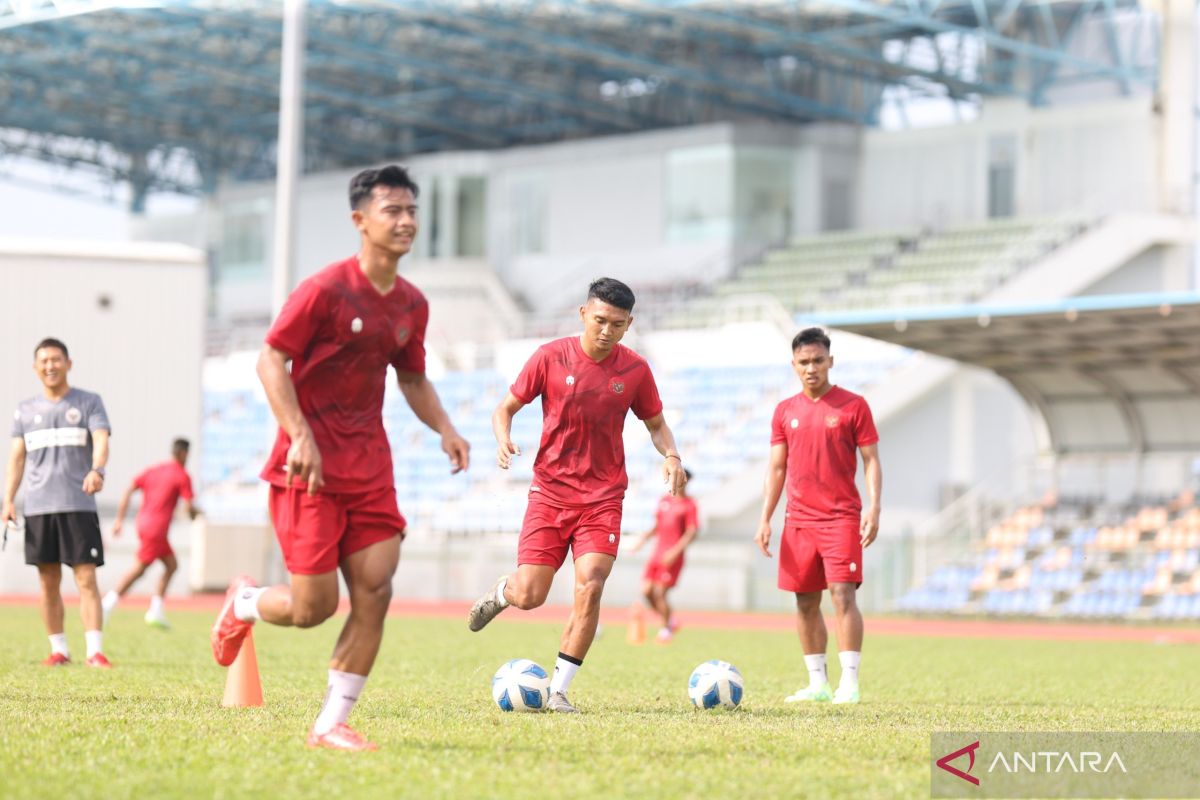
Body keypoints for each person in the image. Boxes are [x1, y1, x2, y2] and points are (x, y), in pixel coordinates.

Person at [208, 165, 470, 751]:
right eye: (391, 212)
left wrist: (447, 428)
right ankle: (245, 602)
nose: (405, 222)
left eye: (411, 211)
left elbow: (412, 377)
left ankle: (330, 723)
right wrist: (299, 435)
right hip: (310, 467)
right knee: (312, 608)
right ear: (360, 221)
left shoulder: (411, 304)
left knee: (376, 589)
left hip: (370, 466)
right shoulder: (325, 290)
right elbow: (270, 359)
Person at [467, 277, 686, 713]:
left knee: (591, 585)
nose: (607, 331)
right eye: (600, 320)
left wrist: (673, 455)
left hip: (603, 498)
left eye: (618, 324)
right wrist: (502, 438)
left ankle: (559, 690)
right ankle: (502, 592)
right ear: (584, 314)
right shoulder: (550, 357)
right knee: (531, 595)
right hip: (549, 494)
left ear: (629, 325)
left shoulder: (636, 371)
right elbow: (505, 408)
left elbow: (656, 424)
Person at [754, 327, 881, 705]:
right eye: (804, 362)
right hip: (798, 521)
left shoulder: (853, 406)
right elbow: (777, 468)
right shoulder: (784, 411)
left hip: (841, 518)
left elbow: (871, 460)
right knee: (805, 601)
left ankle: (850, 684)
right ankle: (818, 684)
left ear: (830, 361)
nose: (812, 368)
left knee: (842, 594)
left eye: (818, 361)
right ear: (794, 365)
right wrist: (765, 518)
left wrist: (874, 506)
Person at [3, 338, 113, 668]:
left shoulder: (89, 402)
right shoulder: (25, 410)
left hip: (78, 505)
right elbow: (16, 459)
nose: (50, 365)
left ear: (68, 363)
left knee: (86, 579)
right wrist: (8, 500)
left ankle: (95, 651)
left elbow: (102, 440)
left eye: (56, 359)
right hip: (38, 508)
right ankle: (59, 650)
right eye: (44, 361)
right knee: (48, 582)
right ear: (36, 368)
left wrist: (97, 470)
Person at [103, 438, 200, 629]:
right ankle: (106, 604)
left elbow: (129, 489)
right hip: (157, 528)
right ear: (184, 454)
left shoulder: (154, 470)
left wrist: (119, 520)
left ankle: (156, 610)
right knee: (140, 569)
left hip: (145, 524)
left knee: (171, 565)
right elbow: (189, 508)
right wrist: (197, 514)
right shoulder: (182, 475)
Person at [629, 469, 698, 643]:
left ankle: (666, 629)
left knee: (660, 593)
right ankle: (671, 621)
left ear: (687, 481)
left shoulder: (689, 505)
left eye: (683, 479)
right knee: (646, 591)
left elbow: (691, 532)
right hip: (657, 552)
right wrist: (642, 540)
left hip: (672, 555)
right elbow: (657, 525)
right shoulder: (664, 500)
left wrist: (675, 551)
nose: (679, 482)